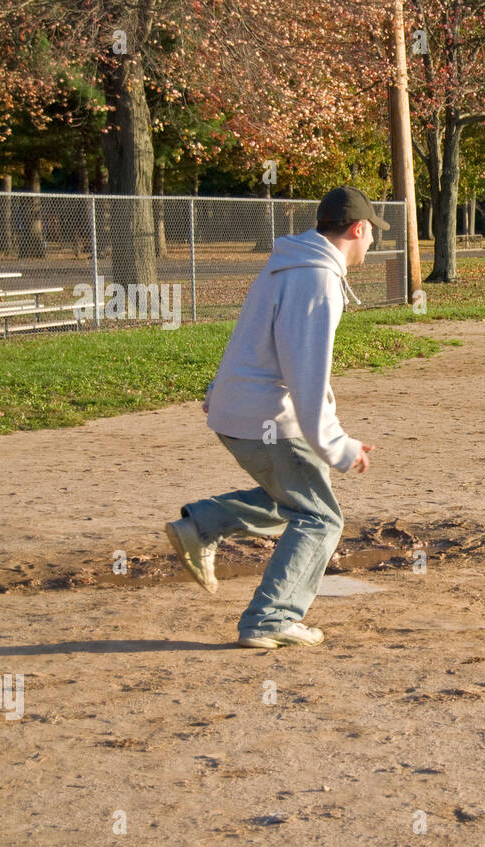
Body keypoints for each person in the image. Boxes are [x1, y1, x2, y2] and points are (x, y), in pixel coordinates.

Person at [165, 186, 387, 649]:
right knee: (320, 518)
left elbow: (251, 339)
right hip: (266, 416)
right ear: (358, 228)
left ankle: (203, 524)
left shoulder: (286, 267)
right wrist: (337, 445)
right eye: (372, 235)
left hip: (239, 409)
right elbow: (303, 370)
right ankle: (271, 619)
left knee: (297, 495)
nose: (371, 245)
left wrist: (220, 391)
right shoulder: (317, 279)